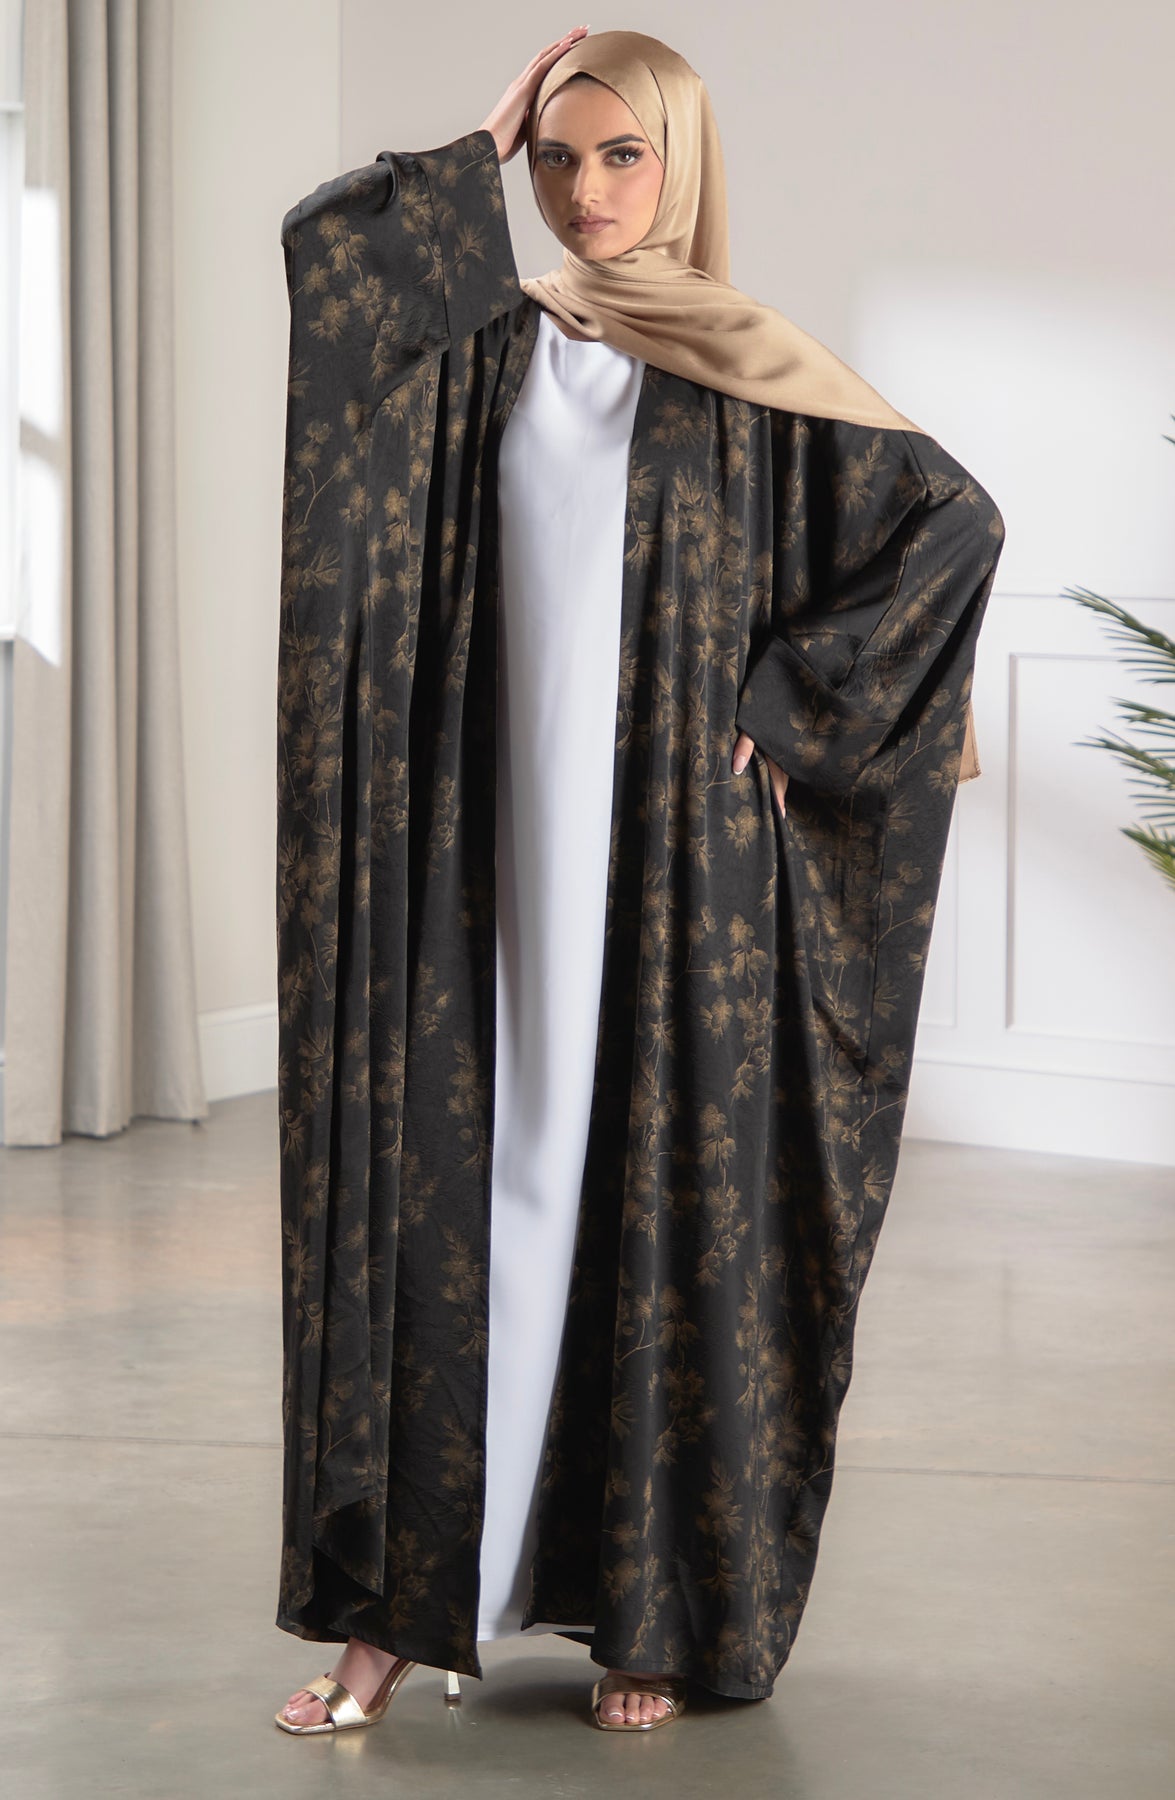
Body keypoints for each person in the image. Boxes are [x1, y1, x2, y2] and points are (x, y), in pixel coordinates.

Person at [273, 26, 1004, 1739]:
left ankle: (647, 1616)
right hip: (483, 857)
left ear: (683, 161)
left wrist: (796, 704)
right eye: (559, 160)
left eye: (623, 156)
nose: (586, 192)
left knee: (655, 1197)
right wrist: (469, 152)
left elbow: (955, 526)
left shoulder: (749, 367)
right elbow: (330, 274)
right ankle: (397, 1616)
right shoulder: (487, 348)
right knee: (462, 1198)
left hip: (674, 865)